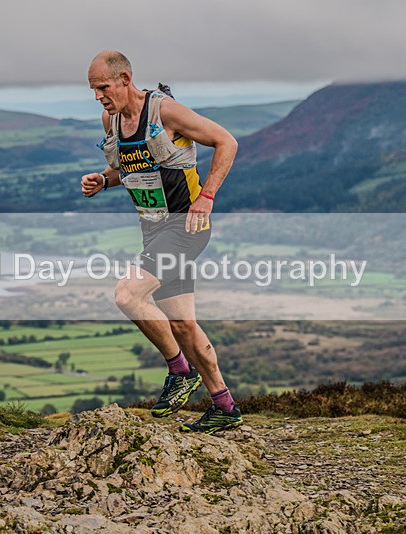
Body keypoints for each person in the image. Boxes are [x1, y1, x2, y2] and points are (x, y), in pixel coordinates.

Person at [81, 50, 241, 434]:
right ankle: (224, 405)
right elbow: (129, 167)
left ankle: (180, 371)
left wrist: (207, 196)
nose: (98, 97)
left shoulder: (165, 111)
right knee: (184, 325)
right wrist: (104, 180)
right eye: (92, 90)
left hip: (185, 228)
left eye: (103, 87)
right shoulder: (112, 119)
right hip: (154, 230)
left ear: (124, 78)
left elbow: (226, 142)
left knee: (128, 295)